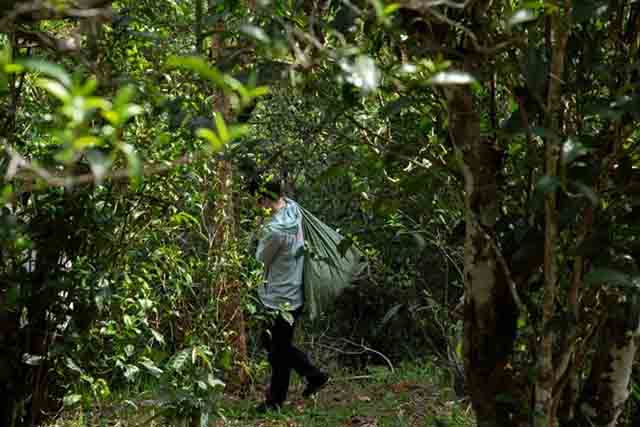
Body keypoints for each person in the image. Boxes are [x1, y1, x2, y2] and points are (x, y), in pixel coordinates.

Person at [249, 178, 329, 413]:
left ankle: (276, 401)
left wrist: (259, 227)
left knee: (277, 353)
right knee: (274, 345)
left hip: (280, 297)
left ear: (263, 200)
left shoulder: (274, 231)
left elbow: (260, 259)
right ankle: (313, 376)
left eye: (255, 202)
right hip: (294, 290)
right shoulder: (292, 208)